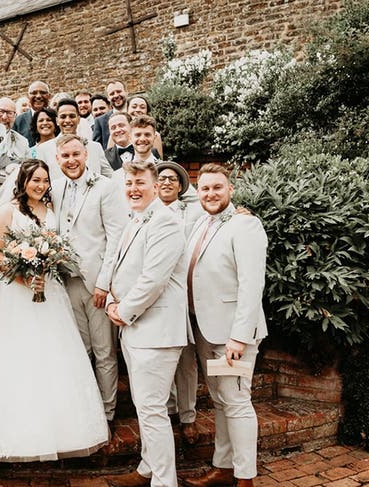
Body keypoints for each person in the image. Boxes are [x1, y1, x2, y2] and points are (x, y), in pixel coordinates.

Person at [0, 160, 109, 462]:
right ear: (22, 181)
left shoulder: (52, 210)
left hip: (51, 290)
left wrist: (46, 269)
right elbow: (0, 257)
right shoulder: (6, 212)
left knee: (54, 354)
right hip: (16, 294)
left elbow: (58, 245)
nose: (40, 185)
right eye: (34, 180)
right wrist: (25, 278)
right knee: (20, 356)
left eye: (44, 180)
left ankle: (62, 430)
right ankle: (21, 433)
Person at [181, 164, 268, 487]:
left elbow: (251, 285)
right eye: (204, 188)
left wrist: (239, 337)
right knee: (220, 400)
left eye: (217, 187)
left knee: (237, 402)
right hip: (206, 330)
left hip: (233, 336)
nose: (210, 194)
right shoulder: (200, 222)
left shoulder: (245, 225)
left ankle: (245, 478)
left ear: (231, 189)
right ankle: (223, 466)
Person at [104, 160, 190, 487]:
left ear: (155, 185)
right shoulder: (134, 219)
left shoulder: (166, 222)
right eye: (129, 183)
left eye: (140, 182)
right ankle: (147, 468)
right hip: (136, 330)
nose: (134, 189)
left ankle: (164, 482)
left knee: (153, 411)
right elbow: (120, 269)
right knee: (145, 406)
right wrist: (112, 300)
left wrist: (122, 311)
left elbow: (153, 280)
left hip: (156, 331)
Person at [50, 135, 126, 422]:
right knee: (80, 351)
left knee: (105, 352)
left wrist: (104, 283)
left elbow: (116, 237)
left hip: (97, 285)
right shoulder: (54, 189)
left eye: (75, 154)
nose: (71, 160)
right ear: (57, 159)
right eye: (65, 156)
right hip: (66, 282)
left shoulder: (105, 188)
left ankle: (107, 414)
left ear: (85, 155)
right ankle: (86, 412)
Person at [156, 161, 204, 445]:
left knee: (186, 360)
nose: (166, 183)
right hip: (152, 299)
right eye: (161, 178)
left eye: (172, 179)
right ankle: (167, 410)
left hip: (184, 296)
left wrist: (241, 212)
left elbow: (223, 212)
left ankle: (188, 416)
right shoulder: (140, 212)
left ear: (181, 186)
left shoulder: (192, 210)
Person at [34, 99, 113, 179]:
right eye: (63, 117)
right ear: (57, 121)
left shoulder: (95, 147)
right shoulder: (44, 150)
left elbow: (109, 176)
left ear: (78, 120)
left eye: (72, 116)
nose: (67, 120)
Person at [13, 80, 51, 146]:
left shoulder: (57, 117)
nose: (38, 96)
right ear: (28, 97)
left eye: (43, 92)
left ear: (49, 96)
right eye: (34, 93)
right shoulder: (19, 121)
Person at [93, 80, 128, 149]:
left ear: (126, 92)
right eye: (112, 94)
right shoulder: (100, 122)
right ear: (108, 98)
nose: (116, 95)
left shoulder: (136, 114)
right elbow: (97, 148)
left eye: (119, 91)